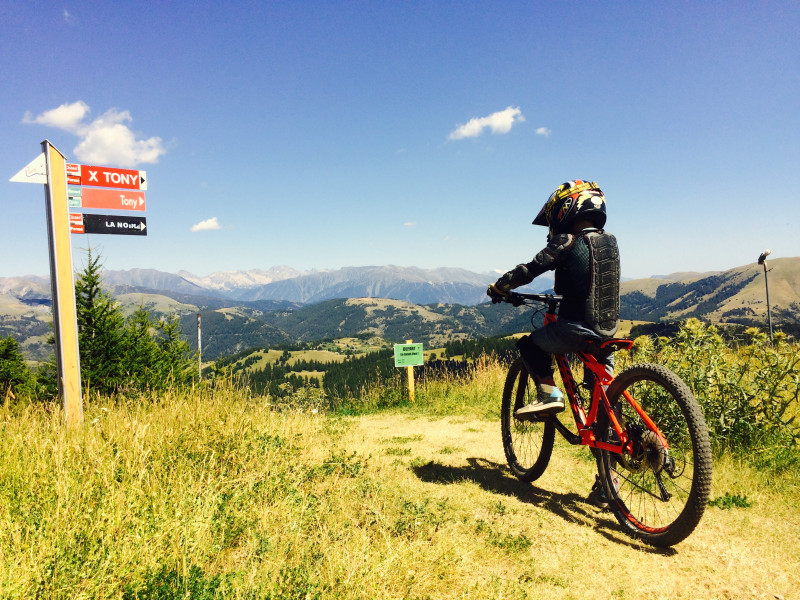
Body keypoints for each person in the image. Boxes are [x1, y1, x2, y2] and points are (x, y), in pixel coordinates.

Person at [487, 180, 620, 417]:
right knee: (604, 395)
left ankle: (548, 393)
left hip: (576, 329)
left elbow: (528, 271)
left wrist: (500, 287)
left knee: (528, 345)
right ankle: (615, 436)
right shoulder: (609, 241)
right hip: (608, 331)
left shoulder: (568, 240)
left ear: (566, 208)